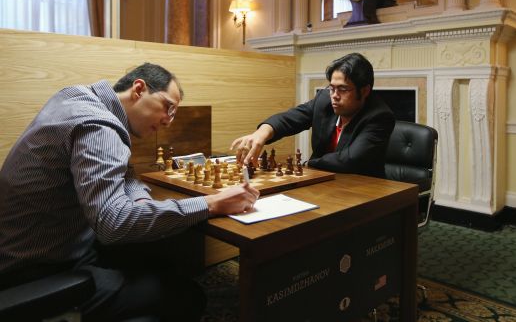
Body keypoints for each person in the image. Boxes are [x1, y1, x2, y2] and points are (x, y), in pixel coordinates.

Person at [0, 62, 260, 322]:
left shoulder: (76, 98)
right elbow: (114, 223)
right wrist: (211, 203)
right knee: (188, 296)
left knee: (159, 263)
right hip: (36, 271)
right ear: (139, 89)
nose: (169, 121)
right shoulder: (99, 126)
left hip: (34, 248)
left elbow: (125, 173)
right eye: (168, 107)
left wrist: (140, 198)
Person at [231, 52, 395, 177]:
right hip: (323, 182)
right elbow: (291, 118)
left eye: (343, 89)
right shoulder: (324, 100)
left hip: (364, 191)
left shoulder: (380, 116)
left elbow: (350, 160)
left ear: (365, 90)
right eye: (332, 88)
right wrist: (262, 133)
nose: (334, 95)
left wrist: (306, 164)